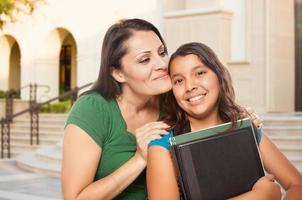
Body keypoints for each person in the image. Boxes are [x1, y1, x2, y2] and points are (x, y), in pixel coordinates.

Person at [61, 18, 262, 199]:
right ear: (118, 73)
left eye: (162, 52)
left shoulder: (174, 101)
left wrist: (240, 121)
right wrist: (139, 159)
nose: (162, 64)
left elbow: (213, 123)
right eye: (144, 59)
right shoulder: (93, 109)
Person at [147, 42, 302, 200]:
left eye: (200, 73)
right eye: (179, 81)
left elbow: (297, 185)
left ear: (218, 76)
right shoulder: (163, 144)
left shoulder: (245, 127)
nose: (190, 86)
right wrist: (261, 195)